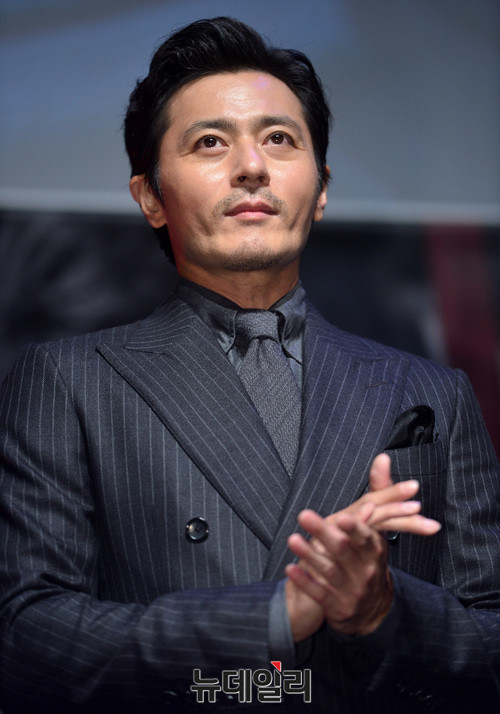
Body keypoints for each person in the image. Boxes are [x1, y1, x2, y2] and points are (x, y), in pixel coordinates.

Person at [0, 16, 498, 714]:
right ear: (150, 197)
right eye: (210, 142)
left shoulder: (433, 393)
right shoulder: (68, 382)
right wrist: (274, 614)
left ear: (321, 189)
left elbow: (490, 640)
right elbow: (25, 639)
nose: (252, 166)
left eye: (280, 139)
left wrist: (383, 611)